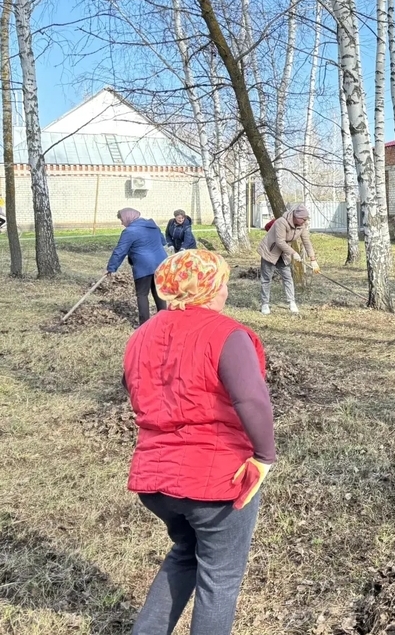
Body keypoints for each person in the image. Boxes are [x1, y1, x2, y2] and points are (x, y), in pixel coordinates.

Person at [124, 249, 275, 635]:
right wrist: (263, 455)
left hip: (155, 480)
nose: (225, 289)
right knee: (220, 576)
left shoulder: (140, 335)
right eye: (221, 281)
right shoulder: (226, 334)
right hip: (215, 480)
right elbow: (251, 399)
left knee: (185, 554)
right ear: (206, 288)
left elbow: (136, 390)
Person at [107, 208, 168, 325]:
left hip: (143, 266)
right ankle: (164, 321)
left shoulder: (130, 231)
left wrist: (111, 267)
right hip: (161, 265)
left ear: (128, 218)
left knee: (142, 295)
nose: (122, 223)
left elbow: (120, 251)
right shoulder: (153, 226)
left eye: (122, 220)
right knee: (159, 293)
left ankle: (144, 324)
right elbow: (163, 241)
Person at [256, 204, 319, 315]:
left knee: (288, 277)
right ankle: (265, 304)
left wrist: (313, 259)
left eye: (306, 219)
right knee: (266, 278)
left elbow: (306, 241)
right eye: (303, 219)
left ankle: (291, 302)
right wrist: (293, 253)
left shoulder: (301, 226)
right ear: (297, 217)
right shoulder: (281, 222)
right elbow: (280, 241)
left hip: (284, 254)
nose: (305, 222)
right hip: (270, 251)